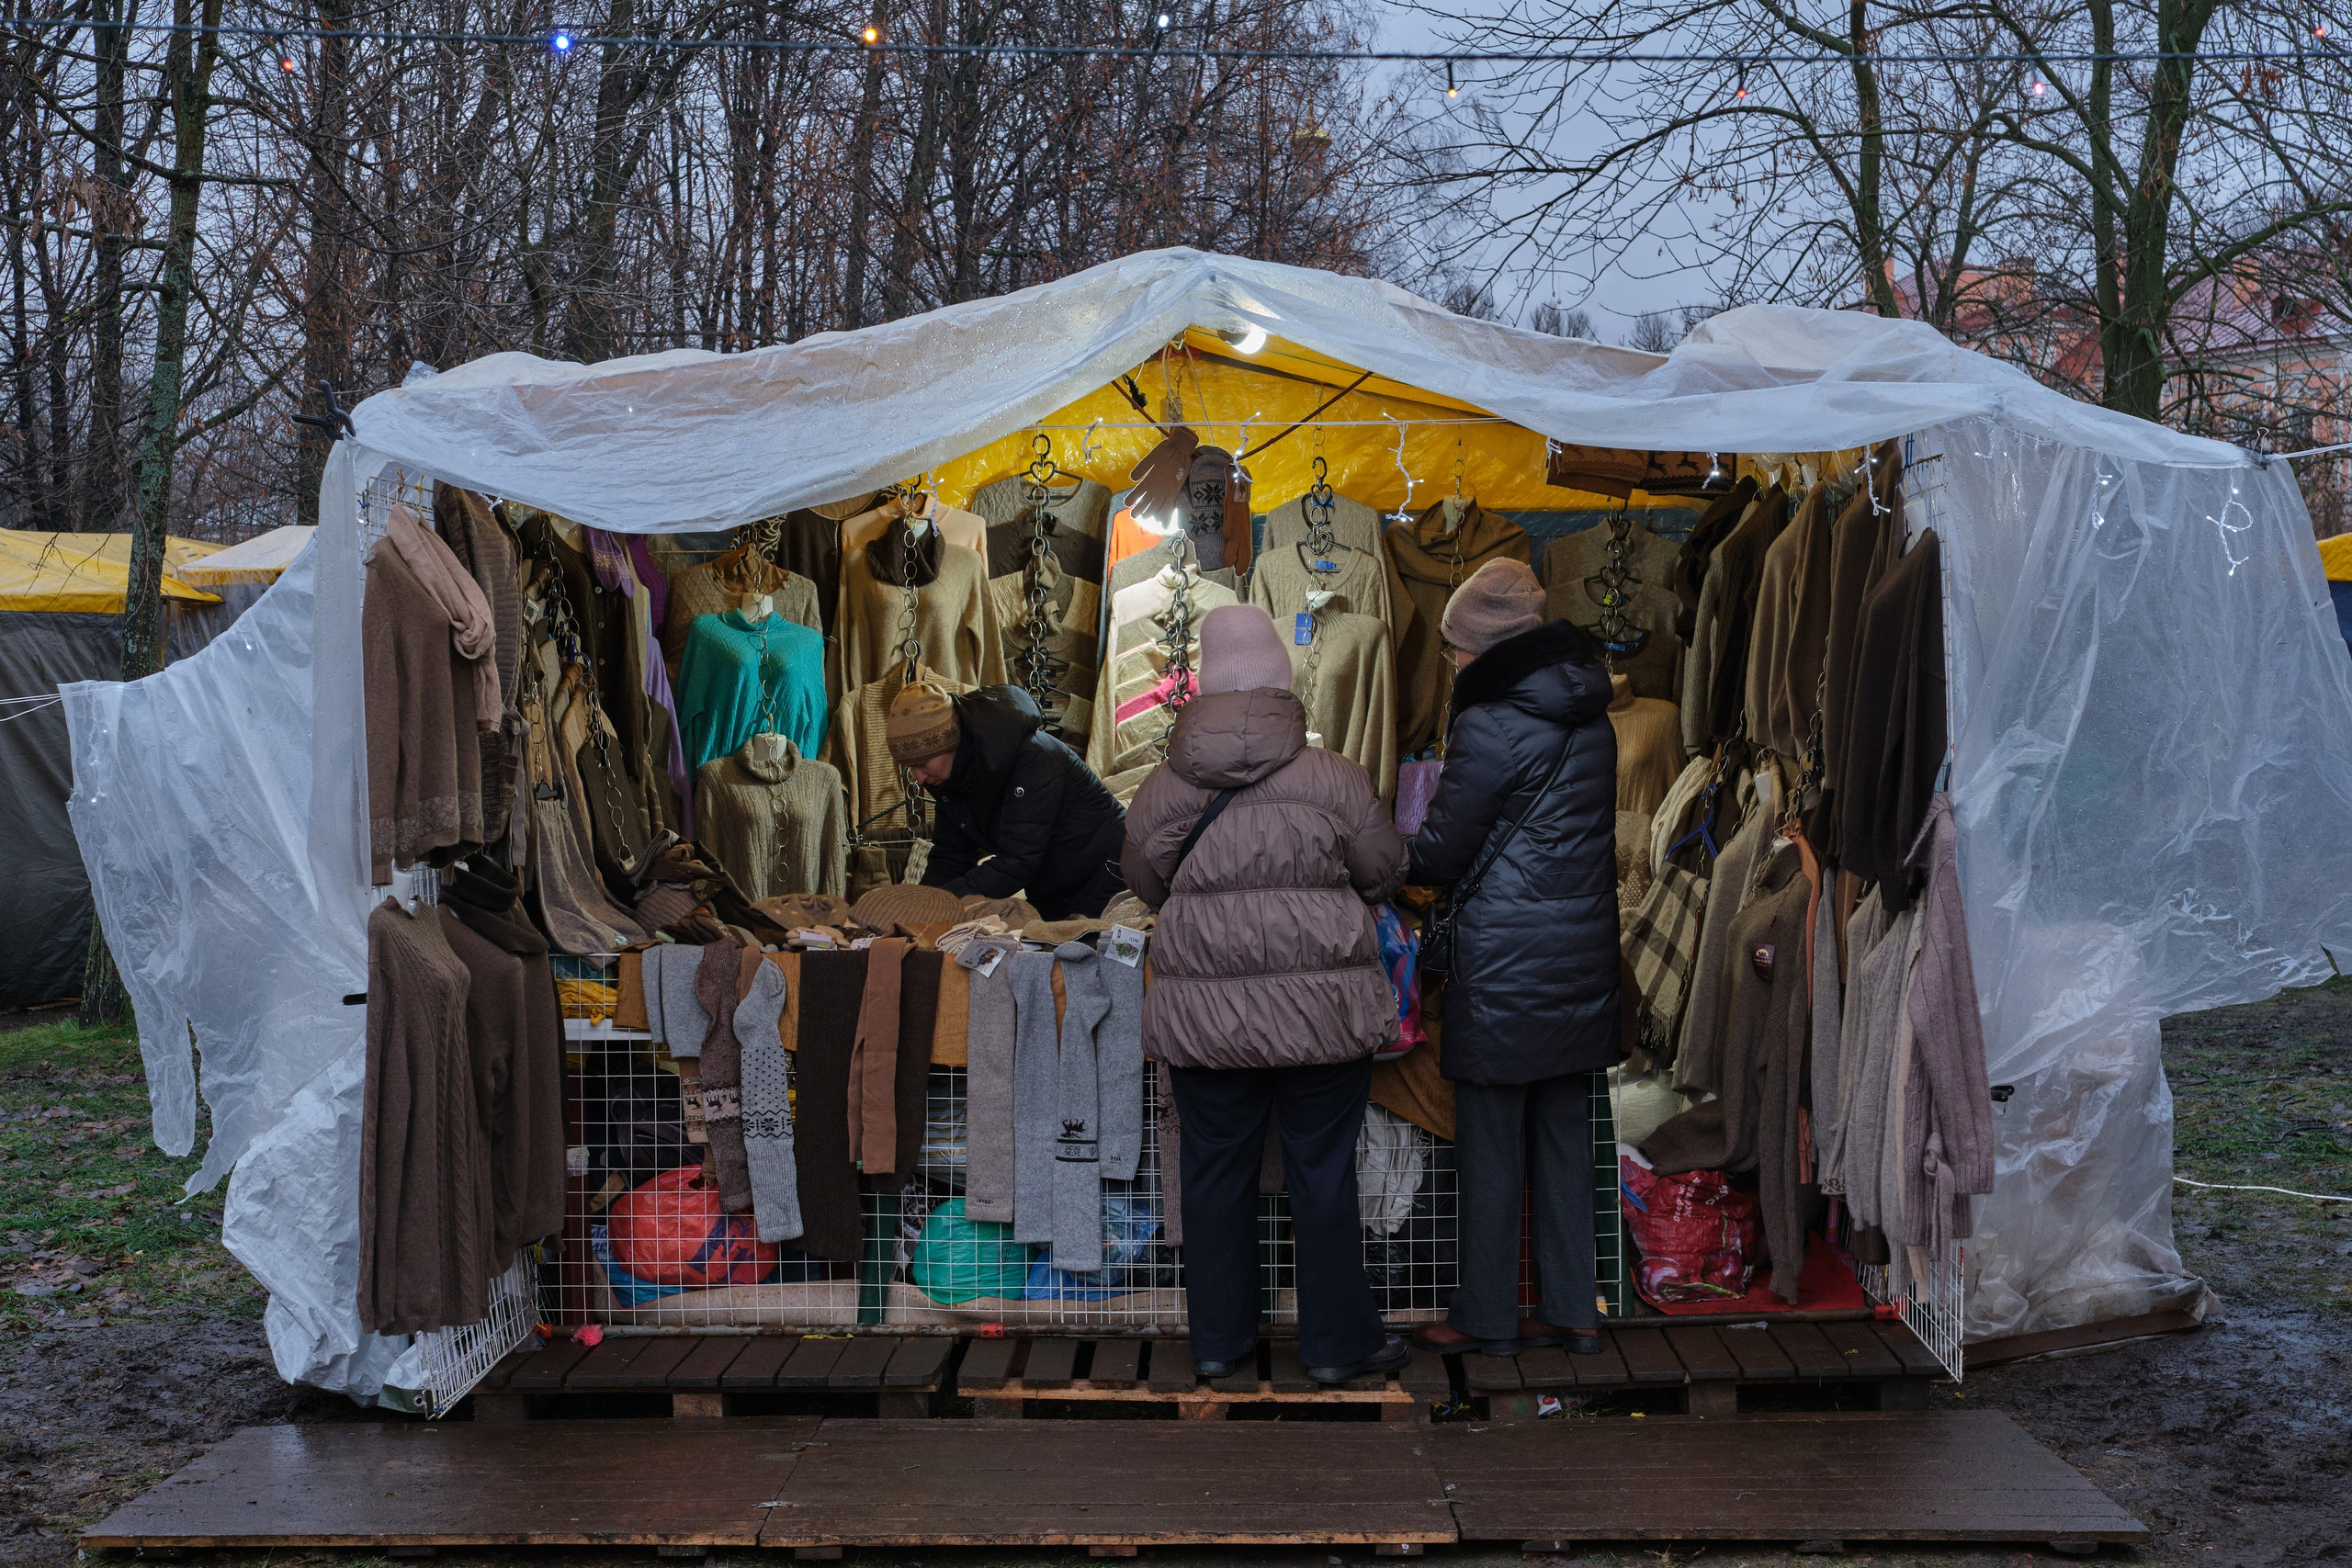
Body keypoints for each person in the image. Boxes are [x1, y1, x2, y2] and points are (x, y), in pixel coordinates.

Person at [1120, 604, 1411, 1386]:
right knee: (1323, 1171)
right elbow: (1384, 871)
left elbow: (1143, 881)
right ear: (1281, 681)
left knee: (1214, 1174)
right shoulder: (1335, 779)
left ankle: (1219, 1342)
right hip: (1322, 1017)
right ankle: (1334, 1345)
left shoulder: (1163, 791)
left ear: (1204, 688)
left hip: (1205, 1020)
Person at [1407, 558, 1620, 1359]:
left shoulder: (1487, 724)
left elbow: (1442, 851)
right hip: (1580, 960)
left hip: (1502, 966)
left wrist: (1392, 848)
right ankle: (1574, 1310)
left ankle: (1485, 1316)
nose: (1453, 662)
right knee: (1566, 1140)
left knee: (1491, 1147)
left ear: (1484, 650)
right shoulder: (1593, 717)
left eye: (1457, 647)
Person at [886, 682, 1126, 920]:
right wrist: (920, 907)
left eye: (922, 764)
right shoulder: (954, 780)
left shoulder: (1033, 758)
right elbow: (950, 857)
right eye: (909, 768)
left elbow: (1018, 861)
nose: (918, 778)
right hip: (1054, 886)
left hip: (1106, 875)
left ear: (949, 743)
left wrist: (937, 905)